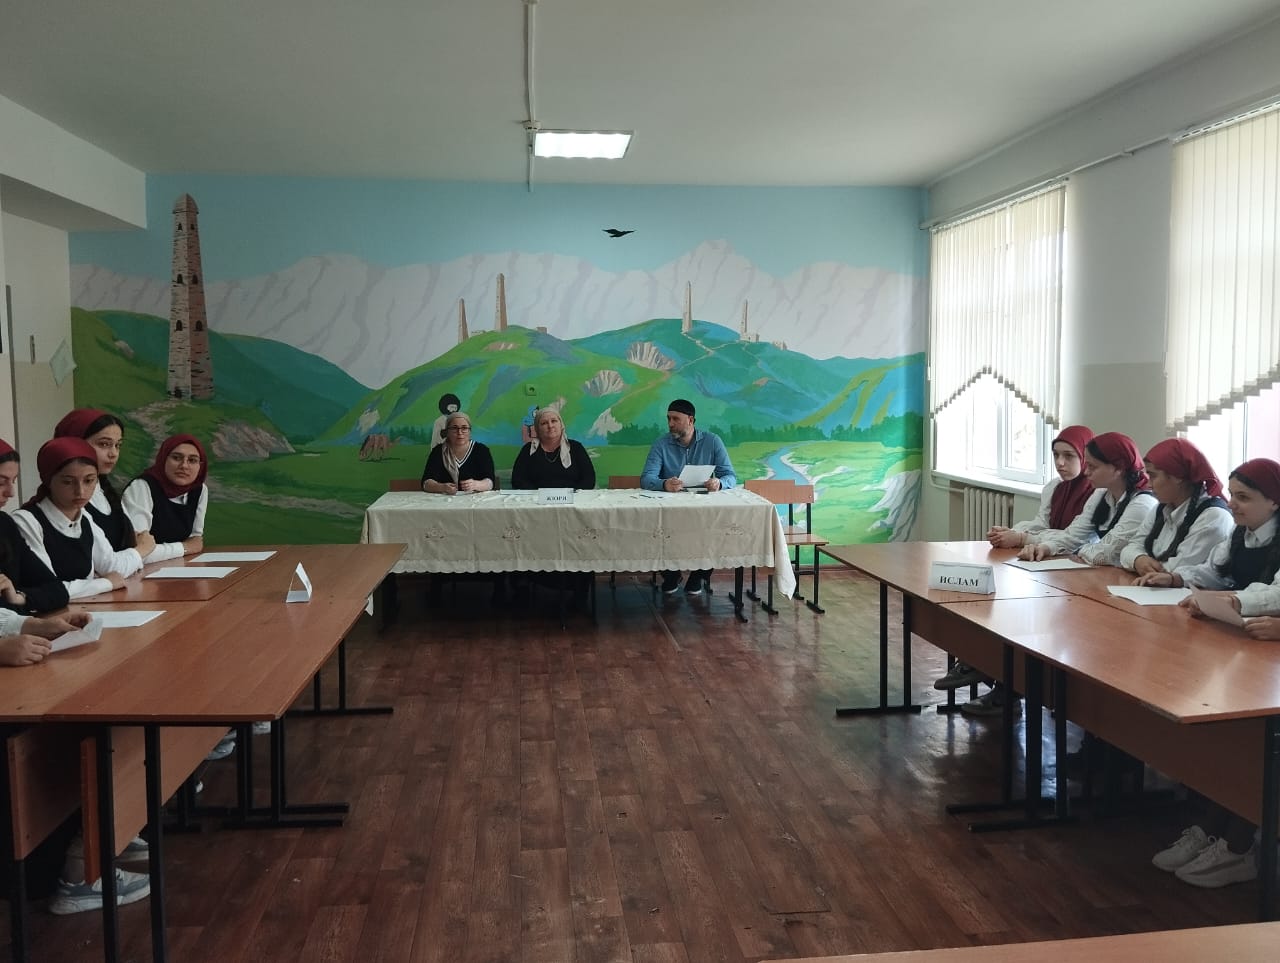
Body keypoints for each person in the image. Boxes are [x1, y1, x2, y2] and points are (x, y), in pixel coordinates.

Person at [1143, 458, 1280, 888]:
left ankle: (1241, 845)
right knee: (1226, 736)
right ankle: (1211, 828)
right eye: (1233, 495)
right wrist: (1181, 580)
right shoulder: (1240, 533)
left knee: (1248, 740)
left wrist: (1234, 601)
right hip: (1245, 649)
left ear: (1274, 502)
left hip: (1266, 661)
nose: (1233, 505)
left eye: (1244, 498)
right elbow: (1213, 571)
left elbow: (1275, 592)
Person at [938, 425, 1095, 715]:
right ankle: (987, 667)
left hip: (1079, 577)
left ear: (1086, 457)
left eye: (1069, 456)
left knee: (1031, 626)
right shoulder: (1055, 487)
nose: (1060, 463)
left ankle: (1003, 684)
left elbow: (1075, 538)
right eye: (1056, 455)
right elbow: (1042, 524)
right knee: (1005, 610)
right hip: (1048, 568)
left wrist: (1022, 538)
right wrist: (1012, 531)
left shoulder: (1096, 494)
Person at [13, 438, 153, 600]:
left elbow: (112, 568)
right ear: (48, 480)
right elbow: (49, 589)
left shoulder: (83, 516)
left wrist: (140, 551)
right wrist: (104, 583)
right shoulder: (27, 521)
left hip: (84, 608)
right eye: (68, 482)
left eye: (89, 481)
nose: (80, 491)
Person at [641, 399, 737, 596]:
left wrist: (719, 483)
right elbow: (647, 478)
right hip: (670, 509)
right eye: (668, 419)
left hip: (703, 508)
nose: (670, 424)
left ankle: (699, 575)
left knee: (715, 529)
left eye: (675, 419)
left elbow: (730, 476)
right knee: (656, 529)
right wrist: (664, 484)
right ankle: (671, 574)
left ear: (691, 420)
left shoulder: (712, 441)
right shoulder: (661, 444)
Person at [1019, 432, 1156, 565]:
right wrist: (1045, 548)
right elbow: (1073, 536)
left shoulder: (1142, 503)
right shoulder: (1101, 494)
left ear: (1118, 469)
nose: (1086, 472)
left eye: (1092, 466)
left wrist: (1079, 548)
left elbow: (1104, 554)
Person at [1122, 438, 1233, 581]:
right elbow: (1130, 548)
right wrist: (1138, 559)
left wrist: (1140, 563)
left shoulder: (1213, 517)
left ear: (1177, 476)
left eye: (1153, 475)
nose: (1148, 484)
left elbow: (1175, 570)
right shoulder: (1161, 508)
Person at [0, 438, 70, 615]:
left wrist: (18, 597)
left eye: (13, 481)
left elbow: (57, 591)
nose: (11, 492)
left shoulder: (4, 525)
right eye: (1, 482)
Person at [54, 409, 136, 552]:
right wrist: (142, 549)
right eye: (104, 444)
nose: (113, 454)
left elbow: (133, 543)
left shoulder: (106, 491)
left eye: (118, 445)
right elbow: (106, 560)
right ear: (75, 444)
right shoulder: (68, 498)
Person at [123, 434, 209, 562]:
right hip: (140, 570)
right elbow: (138, 551)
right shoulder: (142, 487)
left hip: (176, 565)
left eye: (192, 460)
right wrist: (184, 548)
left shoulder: (199, 490)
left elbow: (195, 541)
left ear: (200, 466)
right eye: (176, 458)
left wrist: (186, 548)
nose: (184, 466)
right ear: (163, 459)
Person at [511, 407, 596, 490]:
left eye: (554, 421)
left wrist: (571, 495)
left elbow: (589, 479)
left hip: (572, 498)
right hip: (536, 498)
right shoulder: (528, 450)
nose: (550, 426)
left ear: (561, 424)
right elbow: (518, 480)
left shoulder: (576, 448)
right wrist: (538, 495)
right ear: (537, 428)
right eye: (544, 423)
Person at [421, 412, 497, 494]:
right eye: (454, 428)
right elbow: (426, 483)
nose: (459, 432)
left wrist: (476, 485)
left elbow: (490, 482)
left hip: (475, 499)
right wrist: (442, 487)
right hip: (444, 499)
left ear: (469, 431)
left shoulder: (481, 450)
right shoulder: (438, 451)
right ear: (447, 431)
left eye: (464, 428)